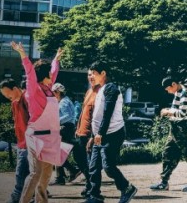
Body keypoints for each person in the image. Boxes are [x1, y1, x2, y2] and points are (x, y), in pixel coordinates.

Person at [11, 41, 73, 203]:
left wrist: (56, 59)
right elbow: (30, 72)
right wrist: (23, 55)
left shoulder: (48, 87)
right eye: (49, 75)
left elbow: (54, 71)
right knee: (35, 173)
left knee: (46, 174)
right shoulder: (34, 88)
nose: (52, 77)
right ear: (44, 76)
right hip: (36, 136)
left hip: (50, 137)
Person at [88, 61, 137, 203]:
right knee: (93, 167)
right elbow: (96, 115)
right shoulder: (101, 89)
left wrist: (100, 133)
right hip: (99, 135)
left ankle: (127, 188)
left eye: (94, 73)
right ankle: (94, 196)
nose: (91, 76)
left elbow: (107, 113)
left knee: (108, 166)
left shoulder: (111, 88)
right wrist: (93, 136)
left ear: (103, 73)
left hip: (112, 134)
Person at [149, 76, 187, 192]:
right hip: (175, 128)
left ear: (173, 84)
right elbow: (177, 110)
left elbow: (182, 113)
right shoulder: (178, 92)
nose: (168, 91)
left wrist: (167, 111)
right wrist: (170, 111)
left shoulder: (184, 93)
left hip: (180, 127)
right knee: (168, 153)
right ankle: (164, 182)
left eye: (168, 89)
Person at [0, 78, 30, 203]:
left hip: (30, 142)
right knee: (26, 172)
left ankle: (16, 197)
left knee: (21, 172)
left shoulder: (27, 99)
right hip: (21, 142)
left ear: (15, 89)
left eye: (8, 94)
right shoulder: (14, 104)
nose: (8, 97)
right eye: (5, 96)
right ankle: (31, 196)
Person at [74, 70, 101, 199]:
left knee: (92, 164)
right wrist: (77, 128)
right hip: (81, 133)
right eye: (89, 74)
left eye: (93, 74)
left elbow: (98, 117)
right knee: (79, 159)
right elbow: (83, 113)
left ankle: (93, 190)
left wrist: (92, 136)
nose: (91, 77)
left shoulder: (100, 93)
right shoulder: (89, 91)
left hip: (90, 135)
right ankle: (89, 184)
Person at [50, 82, 80, 185]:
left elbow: (68, 116)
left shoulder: (63, 102)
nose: (53, 95)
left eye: (54, 92)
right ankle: (61, 176)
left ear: (58, 92)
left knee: (57, 154)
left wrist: (55, 121)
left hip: (65, 129)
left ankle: (70, 171)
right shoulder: (65, 101)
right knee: (58, 153)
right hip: (66, 128)